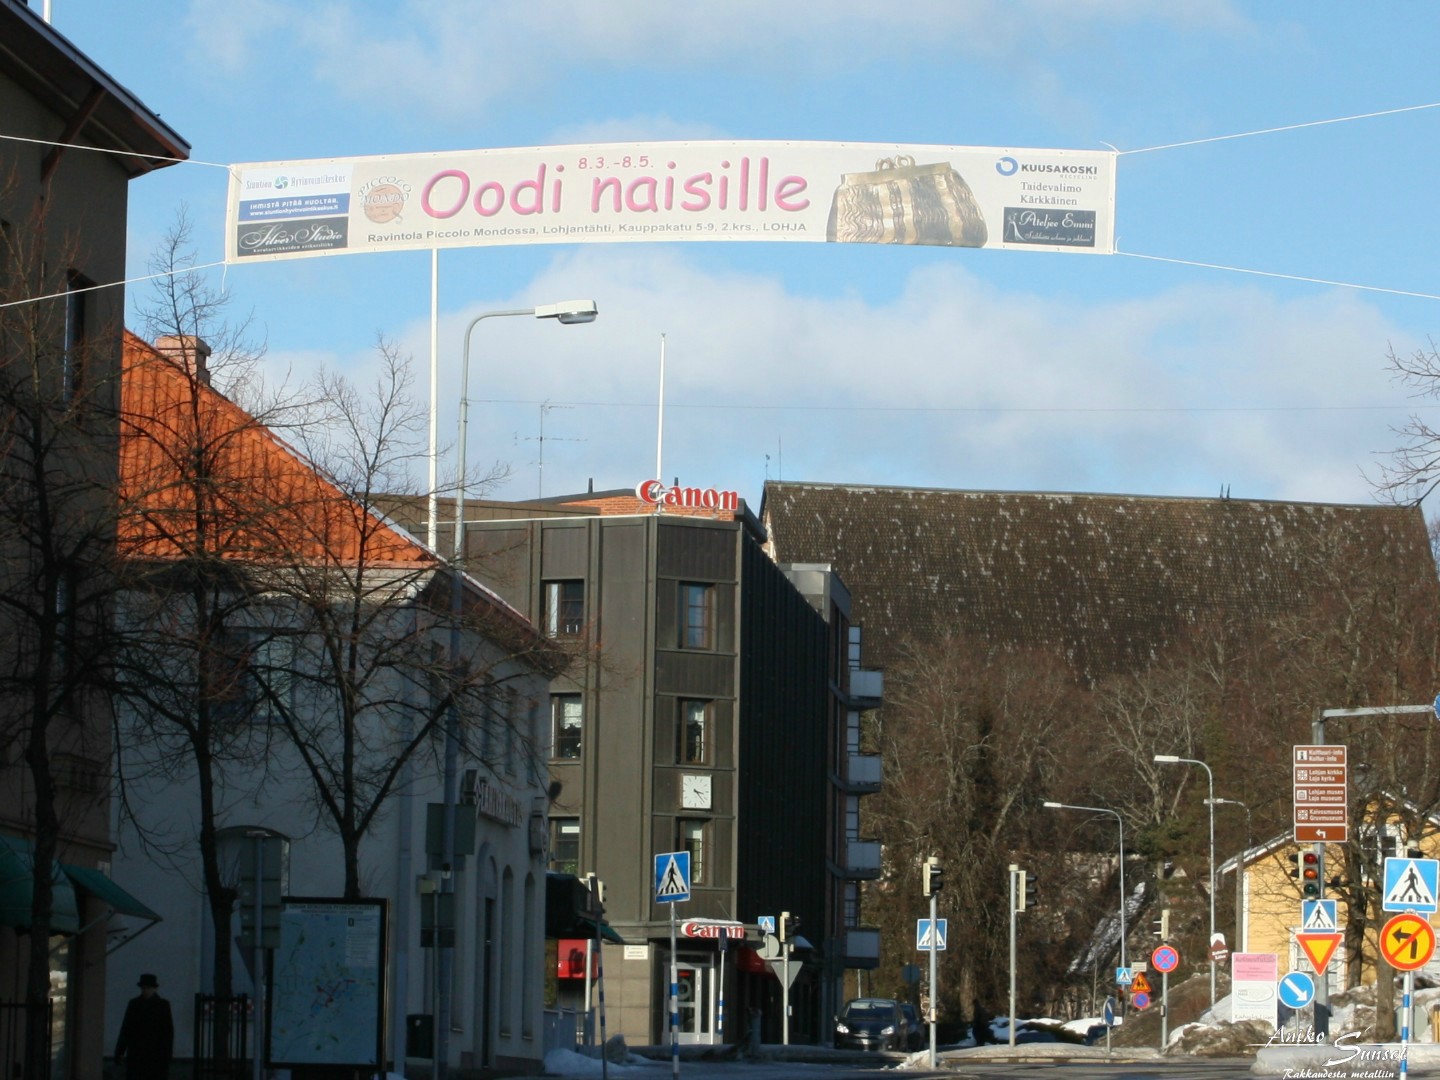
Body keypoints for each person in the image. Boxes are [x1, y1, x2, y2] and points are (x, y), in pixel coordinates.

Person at [114, 973, 173, 1080]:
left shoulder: (162, 1005)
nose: (145, 990)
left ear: (154, 989)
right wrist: (120, 1051)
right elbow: (126, 1028)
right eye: (143, 988)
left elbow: (168, 1032)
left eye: (147, 988)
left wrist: (167, 1055)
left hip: (155, 1054)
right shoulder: (134, 1004)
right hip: (138, 1053)